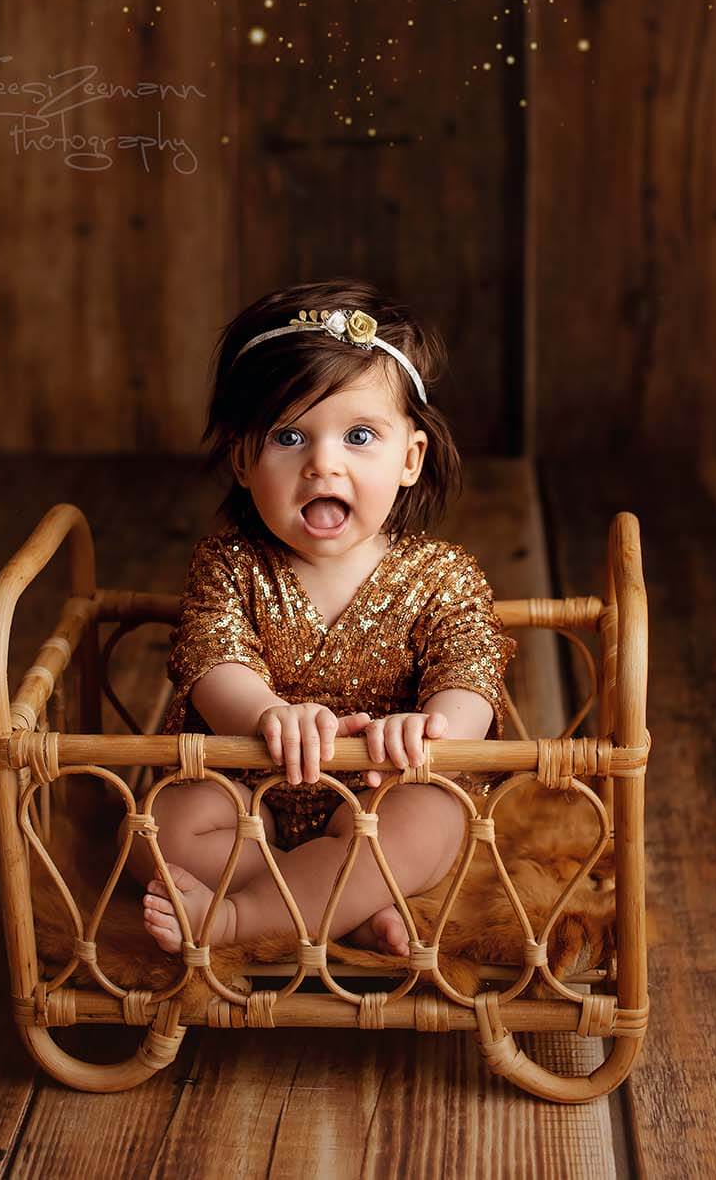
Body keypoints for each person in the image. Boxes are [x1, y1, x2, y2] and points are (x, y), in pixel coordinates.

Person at [127, 279, 517, 957]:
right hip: (250, 796)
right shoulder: (230, 564)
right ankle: (345, 909)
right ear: (245, 460)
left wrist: (431, 730)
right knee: (157, 826)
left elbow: (472, 672)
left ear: (409, 458)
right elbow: (212, 659)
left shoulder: (441, 575)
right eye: (289, 436)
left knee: (429, 821)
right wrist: (264, 714)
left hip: (383, 791)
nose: (322, 463)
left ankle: (238, 921)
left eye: (359, 435)